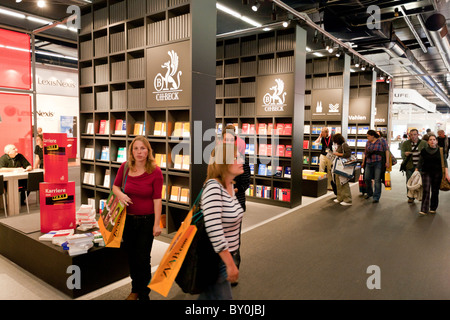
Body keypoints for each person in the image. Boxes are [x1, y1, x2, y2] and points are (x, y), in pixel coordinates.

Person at [112, 136, 163, 300]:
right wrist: (120, 195)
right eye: (136, 149)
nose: (139, 152)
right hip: (127, 220)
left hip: (147, 221)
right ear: (131, 151)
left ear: (148, 151)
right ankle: (135, 289)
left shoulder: (155, 171)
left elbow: (157, 199)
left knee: (143, 258)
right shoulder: (125, 167)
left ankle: (144, 293)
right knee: (132, 257)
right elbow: (115, 186)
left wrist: (157, 224)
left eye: (143, 148)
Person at [200, 143, 244, 300]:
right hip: (216, 260)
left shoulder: (230, 186)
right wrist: (230, 264)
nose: (241, 160)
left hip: (225, 257)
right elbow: (214, 229)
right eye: (236, 158)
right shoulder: (213, 188)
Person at [222, 125, 250, 285]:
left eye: (231, 140)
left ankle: (233, 270)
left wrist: (232, 189)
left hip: (235, 205)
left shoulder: (241, 160)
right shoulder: (217, 160)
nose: (228, 142)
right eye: (225, 139)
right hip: (220, 207)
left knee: (233, 240)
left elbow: (246, 183)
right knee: (220, 239)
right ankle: (222, 269)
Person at [416, 134, 450, 216]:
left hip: (438, 173)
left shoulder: (441, 151)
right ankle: (424, 209)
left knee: (435, 191)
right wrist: (416, 170)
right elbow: (420, 162)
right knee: (426, 190)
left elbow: (445, 163)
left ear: (436, 141)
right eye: (430, 139)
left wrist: (447, 174)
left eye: (434, 139)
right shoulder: (424, 151)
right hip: (426, 172)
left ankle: (433, 208)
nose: (432, 141)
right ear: (428, 142)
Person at [362, 130, 389, 203]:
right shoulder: (368, 142)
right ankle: (369, 193)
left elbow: (386, 150)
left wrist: (387, 161)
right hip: (368, 162)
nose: (367, 138)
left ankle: (376, 197)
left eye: (368, 136)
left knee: (377, 180)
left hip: (378, 162)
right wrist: (363, 162)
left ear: (372, 135)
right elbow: (365, 153)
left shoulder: (382, 141)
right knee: (367, 178)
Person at [401, 129, 427, 203]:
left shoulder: (423, 143)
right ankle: (410, 197)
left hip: (421, 166)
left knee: (421, 182)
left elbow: (427, 153)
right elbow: (402, 153)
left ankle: (421, 196)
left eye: (414, 134)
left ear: (418, 135)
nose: (413, 136)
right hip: (410, 166)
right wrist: (405, 154)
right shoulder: (406, 143)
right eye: (411, 135)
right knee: (409, 181)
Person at [332, 133, 352, 206]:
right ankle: (340, 197)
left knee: (344, 182)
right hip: (338, 166)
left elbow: (348, 154)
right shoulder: (340, 145)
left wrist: (337, 154)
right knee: (338, 182)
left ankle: (348, 199)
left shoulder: (344, 145)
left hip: (343, 166)